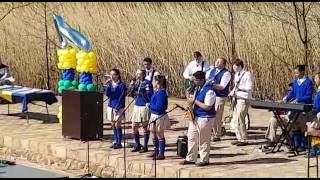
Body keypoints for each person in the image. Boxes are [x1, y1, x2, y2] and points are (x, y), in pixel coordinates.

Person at [180, 71, 216, 167]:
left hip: (205, 118)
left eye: (196, 80)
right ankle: (191, 158)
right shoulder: (197, 88)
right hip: (195, 117)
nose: (194, 82)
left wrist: (195, 101)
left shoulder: (209, 91)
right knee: (191, 137)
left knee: (203, 139)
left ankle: (204, 159)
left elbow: (207, 107)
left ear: (202, 80)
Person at [283, 64, 313, 151]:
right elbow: (292, 93)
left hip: (304, 108)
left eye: (297, 73)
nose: (295, 75)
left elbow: (308, 96)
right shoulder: (295, 82)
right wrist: (285, 99)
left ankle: (303, 145)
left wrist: (298, 99)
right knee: (292, 123)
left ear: (302, 72)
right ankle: (295, 144)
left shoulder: (308, 82)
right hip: (295, 108)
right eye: (295, 73)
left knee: (301, 123)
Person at [229, 59, 254, 146]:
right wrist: (232, 92)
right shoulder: (236, 75)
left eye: (235, 67)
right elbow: (236, 86)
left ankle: (244, 139)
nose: (234, 69)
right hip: (236, 98)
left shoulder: (247, 74)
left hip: (243, 98)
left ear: (240, 66)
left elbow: (249, 87)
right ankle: (238, 137)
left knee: (241, 118)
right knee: (236, 118)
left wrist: (240, 89)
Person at [206, 57, 231, 142]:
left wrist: (211, 85)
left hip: (220, 96)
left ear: (223, 64)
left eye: (219, 62)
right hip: (211, 95)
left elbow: (222, 86)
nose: (217, 63)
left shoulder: (226, 73)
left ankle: (217, 134)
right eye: (217, 61)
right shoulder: (213, 71)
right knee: (211, 114)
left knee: (217, 115)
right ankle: (212, 131)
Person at [128, 69, 153, 153]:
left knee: (145, 127)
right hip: (136, 105)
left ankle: (145, 146)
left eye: (139, 74)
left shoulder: (147, 83)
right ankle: (137, 144)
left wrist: (142, 94)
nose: (137, 75)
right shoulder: (136, 83)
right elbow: (130, 94)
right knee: (134, 126)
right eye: (136, 73)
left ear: (143, 75)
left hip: (144, 106)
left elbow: (149, 95)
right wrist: (131, 86)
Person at [147, 75, 170, 160]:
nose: (153, 83)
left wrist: (150, 106)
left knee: (160, 134)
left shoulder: (162, 93)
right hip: (153, 114)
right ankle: (156, 151)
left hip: (159, 115)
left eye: (154, 81)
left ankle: (161, 153)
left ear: (158, 82)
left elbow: (160, 107)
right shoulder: (157, 91)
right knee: (154, 133)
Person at [264, 83, 293, 148]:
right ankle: (272, 140)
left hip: (291, 117)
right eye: (288, 90)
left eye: (291, 90)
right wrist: (274, 106)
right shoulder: (285, 98)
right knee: (273, 119)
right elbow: (280, 109)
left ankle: (289, 141)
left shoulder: (297, 98)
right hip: (283, 117)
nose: (289, 92)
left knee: (290, 122)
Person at [105, 69, 127, 149]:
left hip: (118, 106)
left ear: (118, 75)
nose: (112, 76)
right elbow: (108, 94)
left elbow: (122, 96)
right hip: (111, 105)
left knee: (118, 124)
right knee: (113, 124)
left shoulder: (122, 85)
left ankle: (119, 142)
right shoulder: (111, 84)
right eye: (111, 74)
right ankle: (116, 141)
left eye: (114, 74)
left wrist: (118, 106)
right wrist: (107, 86)